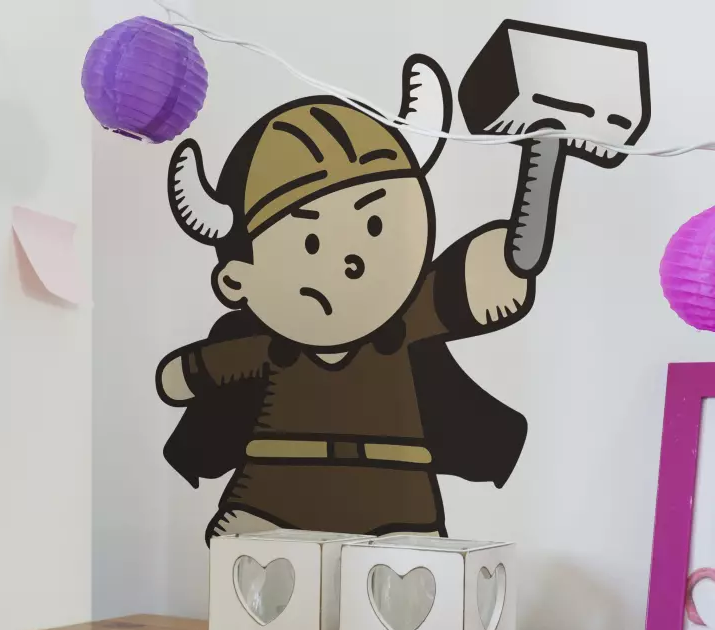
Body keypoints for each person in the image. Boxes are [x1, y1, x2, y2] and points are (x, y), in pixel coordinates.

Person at [157, 57, 543, 543]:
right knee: (256, 562)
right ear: (238, 281)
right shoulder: (271, 349)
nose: (351, 261)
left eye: (374, 224)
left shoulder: (406, 323)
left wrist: (510, 254)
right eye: (310, 242)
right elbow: (209, 369)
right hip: (273, 499)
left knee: (410, 570)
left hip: (399, 502)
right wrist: (187, 374)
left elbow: (474, 282)